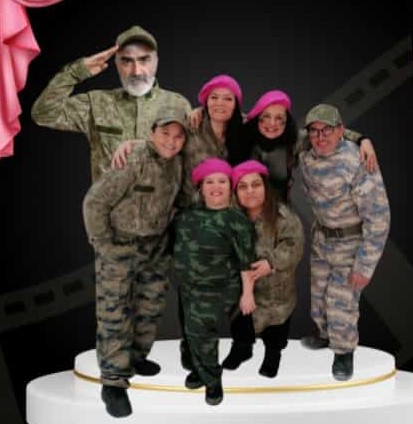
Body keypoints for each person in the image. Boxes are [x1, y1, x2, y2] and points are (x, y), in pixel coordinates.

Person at [112, 74, 245, 370]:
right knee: (190, 288)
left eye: (228, 98)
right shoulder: (191, 126)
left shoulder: (244, 127)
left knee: (233, 283)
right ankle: (191, 348)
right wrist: (132, 144)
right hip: (190, 220)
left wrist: (351, 136)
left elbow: (284, 129)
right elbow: (164, 141)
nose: (220, 103)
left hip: (228, 220)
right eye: (214, 97)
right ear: (204, 101)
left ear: (237, 104)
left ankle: (239, 345)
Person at [82, 106, 188, 418]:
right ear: (152, 133)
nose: (171, 141)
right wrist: (103, 244)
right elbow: (95, 202)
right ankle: (113, 382)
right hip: (120, 244)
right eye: (165, 133)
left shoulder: (178, 163)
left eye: (178, 136)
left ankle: (136, 357)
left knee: (149, 306)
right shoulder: (133, 158)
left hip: (155, 247)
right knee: (114, 312)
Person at [299, 103, 390, 381]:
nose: (320, 137)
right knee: (318, 295)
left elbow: (379, 218)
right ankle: (324, 334)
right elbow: (272, 129)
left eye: (327, 130)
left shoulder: (357, 162)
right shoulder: (305, 151)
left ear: (340, 130)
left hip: (351, 242)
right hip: (322, 238)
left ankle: (343, 352)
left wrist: (365, 266)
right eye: (314, 131)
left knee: (342, 301)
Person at [31, 24, 191, 182]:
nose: (136, 71)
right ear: (117, 64)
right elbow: (43, 114)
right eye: (127, 61)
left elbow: (192, 160)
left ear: (156, 61)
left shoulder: (178, 104)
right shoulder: (97, 103)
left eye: (144, 60)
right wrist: (75, 72)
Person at [190, 89, 378, 203]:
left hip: (276, 214)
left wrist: (362, 139)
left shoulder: (294, 139)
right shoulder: (243, 131)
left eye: (279, 118)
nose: (272, 124)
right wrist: (201, 110)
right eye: (266, 117)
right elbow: (221, 113)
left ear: (286, 121)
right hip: (238, 207)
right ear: (257, 118)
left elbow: (327, 131)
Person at [172, 157, 257, 406]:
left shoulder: (236, 220)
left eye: (222, 181)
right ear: (201, 187)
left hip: (219, 290)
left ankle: (212, 381)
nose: (216, 187)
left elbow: (246, 262)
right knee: (192, 334)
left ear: (230, 186)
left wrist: (248, 293)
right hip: (188, 289)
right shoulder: (186, 216)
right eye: (209, 182)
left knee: (201, 334)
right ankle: (199, 369)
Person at [221, 160, 304, 377]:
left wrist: (271, 262)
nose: (250, 191)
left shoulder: (283, 216)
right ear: (235, 192)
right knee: (241, 323)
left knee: (276, 327)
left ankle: (272, 355)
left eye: (256, 185)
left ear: (265, 187)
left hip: (276, 288)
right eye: (243, 186)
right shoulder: (230, 218)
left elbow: (294, 245)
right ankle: (242, 348)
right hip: (244, 287)